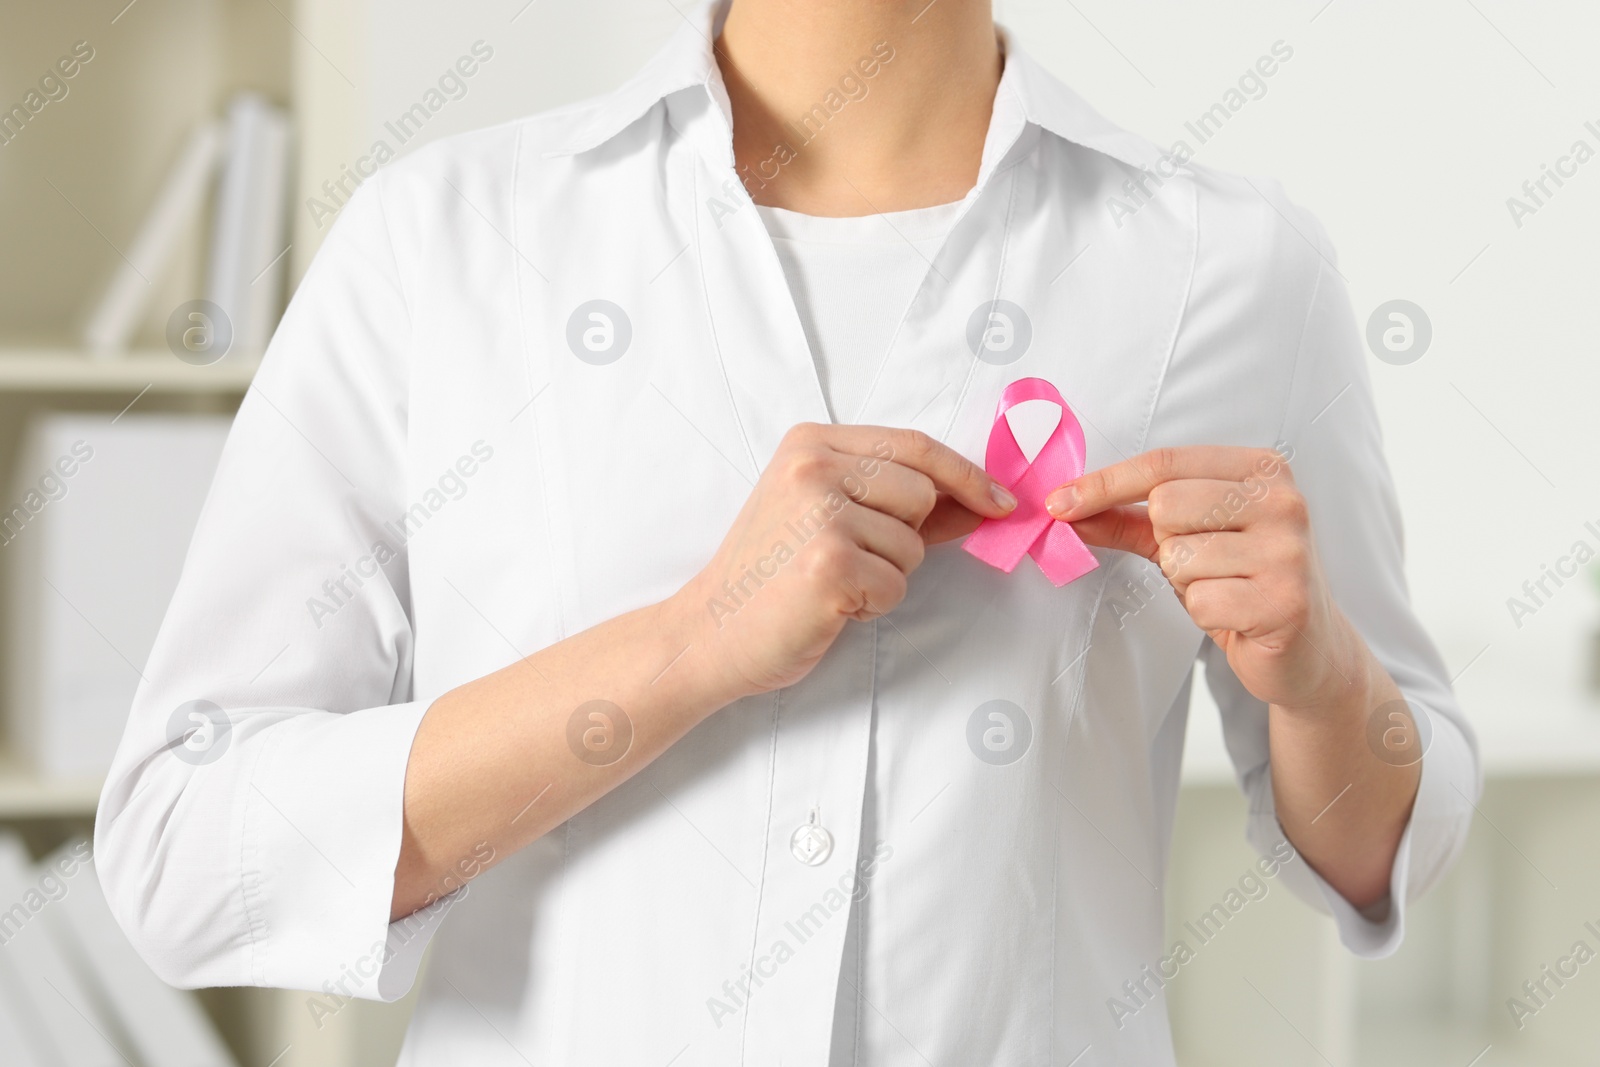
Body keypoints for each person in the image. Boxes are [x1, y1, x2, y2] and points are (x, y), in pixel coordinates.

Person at [95, 0, 1479, 1062]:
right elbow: (181, 845)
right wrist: (688, 646)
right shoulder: (438, 244)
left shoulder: (1233, 267)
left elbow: (1388, 850)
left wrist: (1320, 672)